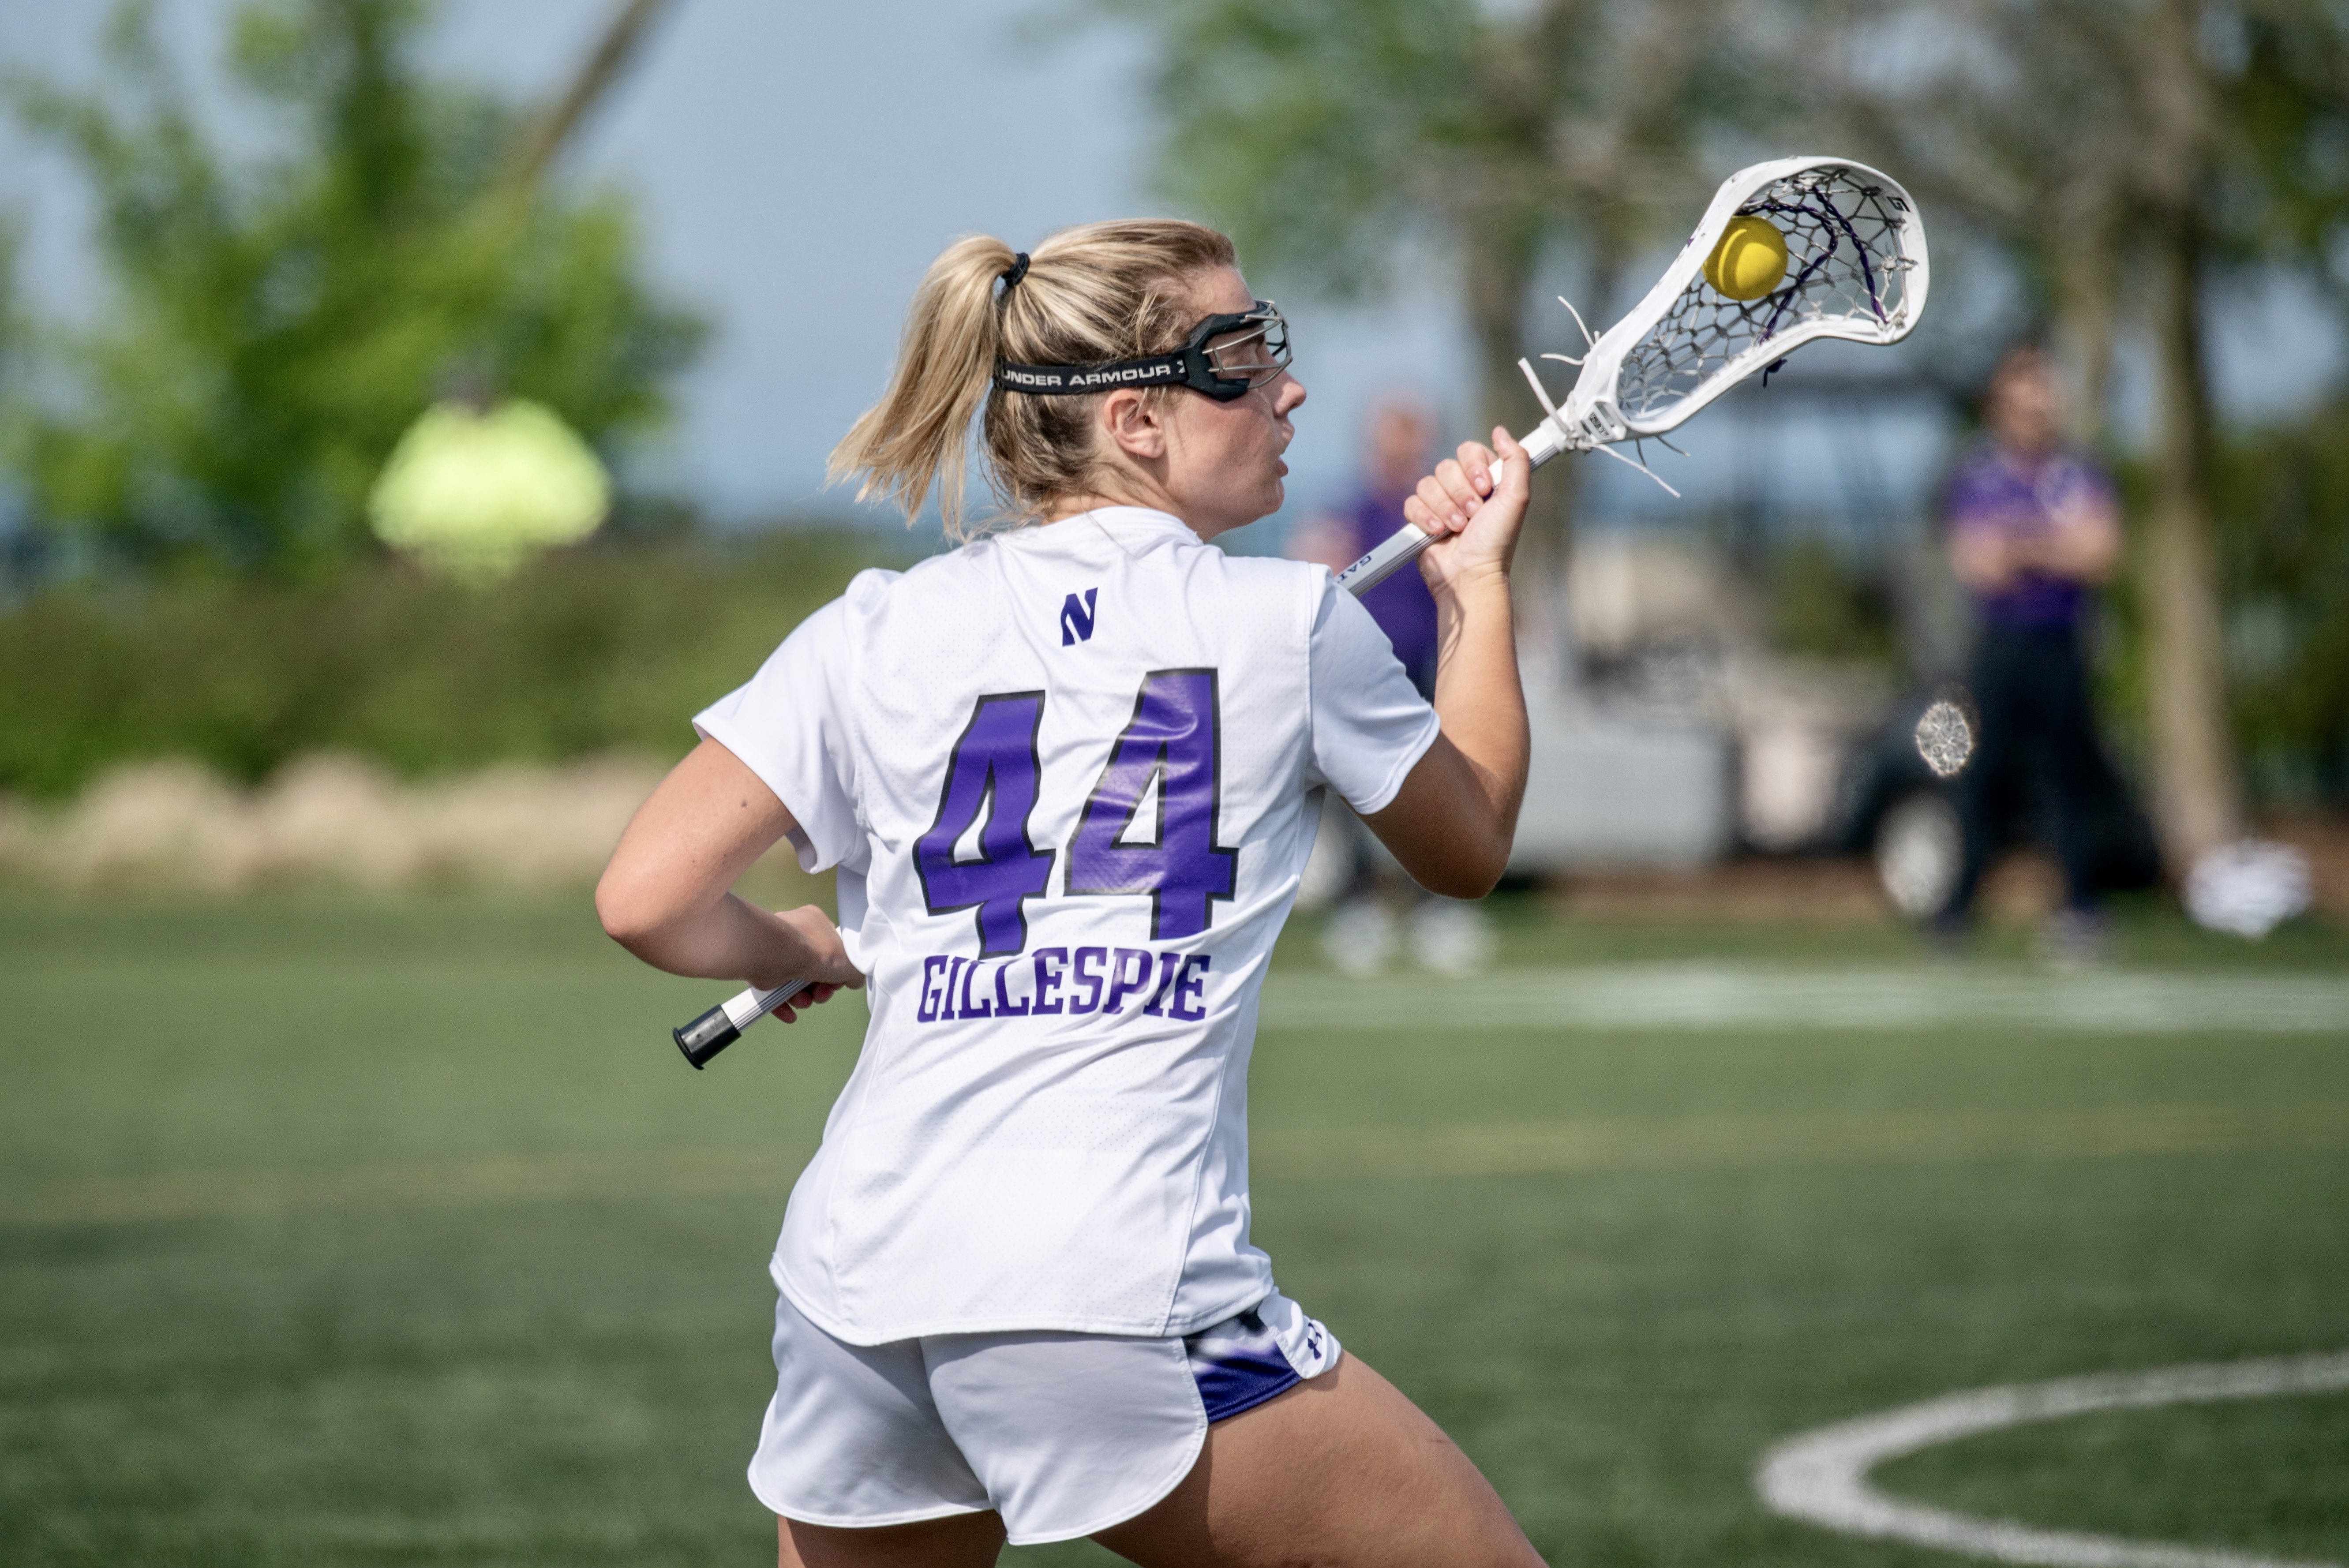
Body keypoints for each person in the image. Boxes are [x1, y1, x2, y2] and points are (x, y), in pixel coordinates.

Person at [595, 219, 1542, 1567]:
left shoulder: (870, 627)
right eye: (1241, 353)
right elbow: (1470, 844)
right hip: (1117, 1288)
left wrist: (798, 937)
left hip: (856, 1293)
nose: (1288, 387)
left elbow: (645, 897)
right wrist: (1477, 591)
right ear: (1139, 422)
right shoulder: (1290, 619)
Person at [1288, 397, 1495, 976]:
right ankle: (1360, 904)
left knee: (1438, 790)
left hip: (1431, 664)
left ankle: (1435, 907)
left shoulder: (1445, 514)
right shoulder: (1353, 512)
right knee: (1352, 797)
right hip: (1363, 673)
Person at [1935, 342, 2123, 958]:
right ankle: (1955, 914)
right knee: (1979, 778)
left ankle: (2078, 911)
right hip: (1998, 646)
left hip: (2060, 645)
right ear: (2000, 408)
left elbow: (2098, 553)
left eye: (2041, 399)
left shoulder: (2076, 473)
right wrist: (2052, 546)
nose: (2033, 412)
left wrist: (2023, 545)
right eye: (2021, 401)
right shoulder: (1978, 474)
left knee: (2066, 779)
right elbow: (1978, 563)